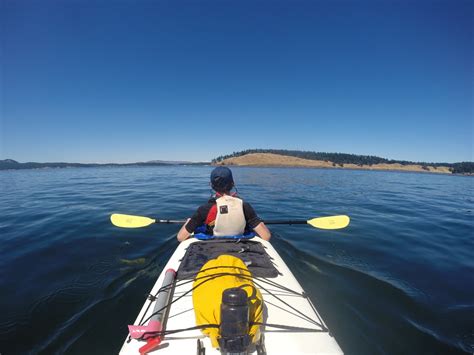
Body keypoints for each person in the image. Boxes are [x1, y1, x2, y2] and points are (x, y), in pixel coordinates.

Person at [177, 166, 271, 242]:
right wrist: (260, 222)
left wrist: (189, 221)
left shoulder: (204, 209)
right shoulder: (245, 206)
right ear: (233, 183)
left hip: (212, 247)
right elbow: (266, 236)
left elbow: (180, 237)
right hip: (240, 247)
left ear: (211, 185)